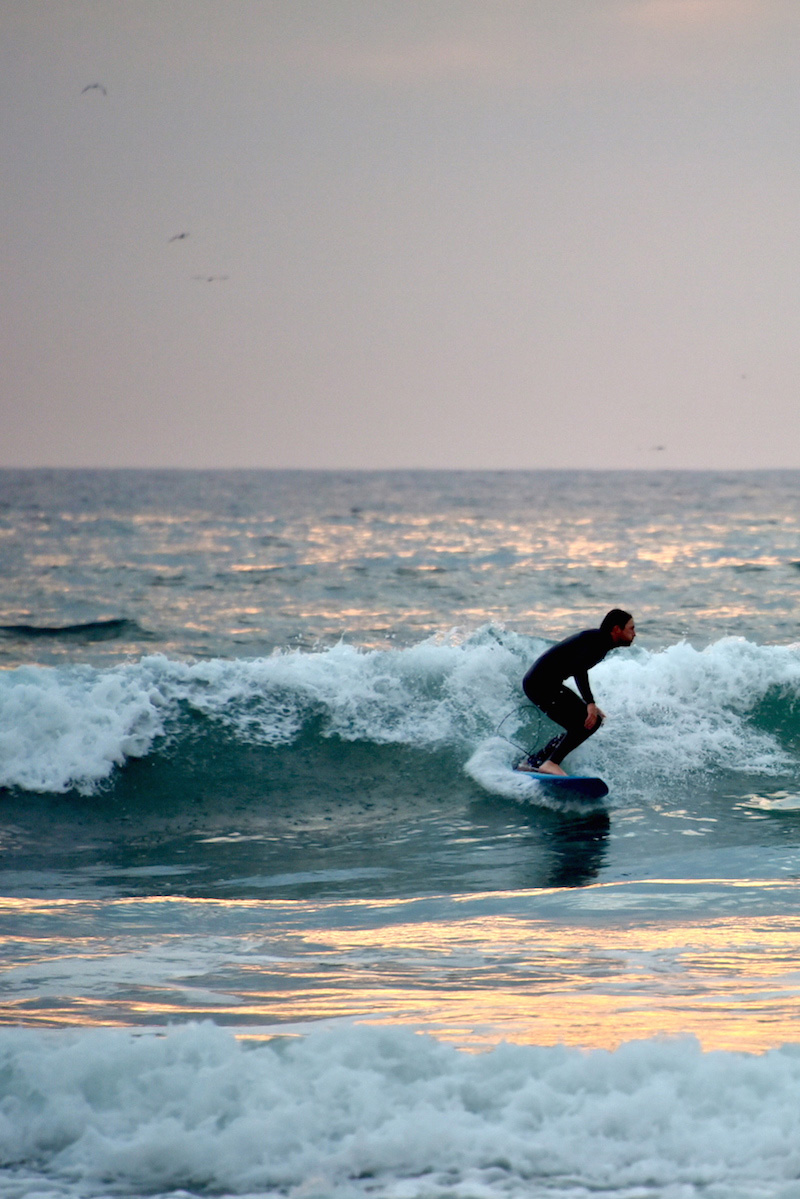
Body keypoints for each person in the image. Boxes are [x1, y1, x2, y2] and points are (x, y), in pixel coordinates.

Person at [519, 609, 636, 776]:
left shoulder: (598, 640)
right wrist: (590, 703)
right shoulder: (598, 642)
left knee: (581, 724)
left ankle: (534, 762)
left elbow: (576, 665)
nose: (634, 633)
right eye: (631, 628)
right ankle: (551, 763)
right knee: (588, 723)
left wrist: (590, 705)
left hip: (543, 683)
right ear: (617, 629)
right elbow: (579, 669)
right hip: (541, 684)